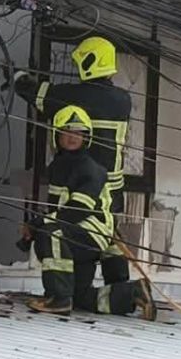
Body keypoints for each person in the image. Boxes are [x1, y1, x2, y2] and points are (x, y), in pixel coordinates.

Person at [15, 35, 135, 300]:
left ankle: (61, 294)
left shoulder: (73, 97)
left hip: (83, 183)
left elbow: (39, 95)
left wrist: (18, 77)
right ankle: (123, 289)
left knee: (65, 230)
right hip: (114, 190)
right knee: (109, 236)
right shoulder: (123, 100)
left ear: (89, 62)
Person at [21, 107, 118, 315]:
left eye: (79, 132)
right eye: (67, 131)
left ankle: (58, 299)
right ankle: (134, 294)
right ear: (56, 135)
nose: (73, 137)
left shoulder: (90, 168)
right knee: (81, 297)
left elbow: (77, 211)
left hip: (91, 234)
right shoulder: (58, 166)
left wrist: (39, 223)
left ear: (86, 137)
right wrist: (35, 227)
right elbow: (57, 208)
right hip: (74, 233)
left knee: (50, 234)